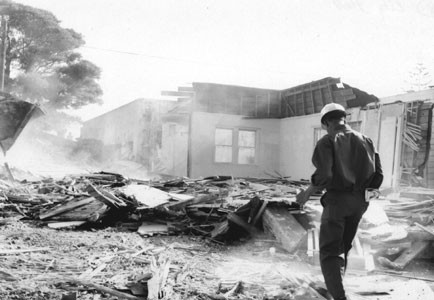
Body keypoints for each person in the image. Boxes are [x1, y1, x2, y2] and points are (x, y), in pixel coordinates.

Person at [296, 103, 383, 300]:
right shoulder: (366, 140)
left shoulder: (327, 141)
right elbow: (378, 176)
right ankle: (337, 290)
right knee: (343, 247)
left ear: (326, 122)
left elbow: (325, 174)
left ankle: (339, 296)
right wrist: (364, 202)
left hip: (337, 201)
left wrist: (307, 193)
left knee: (329, 252)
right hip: (360, 202)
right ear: (345, 119)